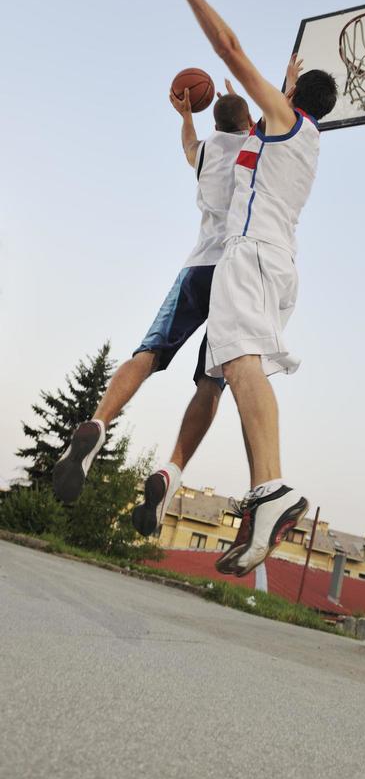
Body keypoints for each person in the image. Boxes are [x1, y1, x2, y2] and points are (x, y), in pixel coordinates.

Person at [163, 0, 338, 576]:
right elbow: (263, 126)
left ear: (290, 101)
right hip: (277, 263)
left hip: (251, 255)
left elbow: (230, 50)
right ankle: (266, 494)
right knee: (242, 369)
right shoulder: (301, 135)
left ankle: (273, 486)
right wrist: (293, 83)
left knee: (237, 365)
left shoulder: (286, 122)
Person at [51, 80, 254, 525]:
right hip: (236, 274)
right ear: (248, 122)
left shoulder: (204, 153)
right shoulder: (255, 148)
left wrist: (187, 115)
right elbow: (272, 120)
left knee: (147, 353)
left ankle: (99, 422)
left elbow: (189, 143)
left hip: (196, 268)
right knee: (210, 382)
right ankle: (172, 469)